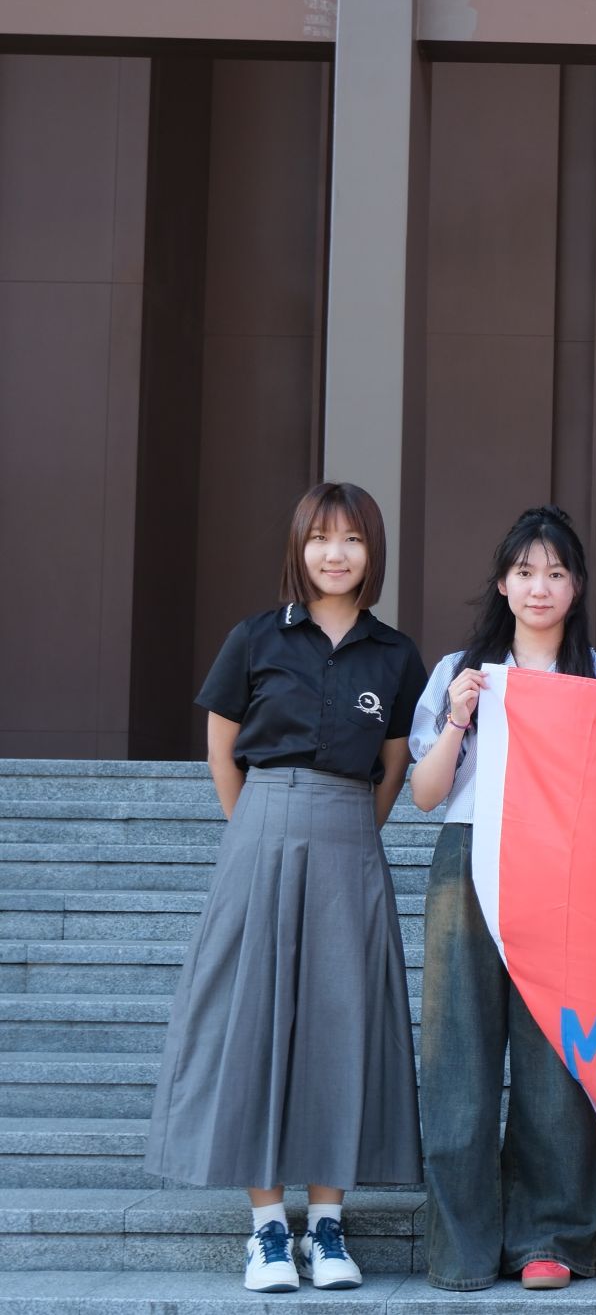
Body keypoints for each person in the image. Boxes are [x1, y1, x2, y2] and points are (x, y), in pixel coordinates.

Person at [143, 482, 428, 1293]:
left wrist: (345, 826)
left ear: (373, 552)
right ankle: (268, 1228)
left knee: (344, 1018)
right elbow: (222, 752)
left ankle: (328, 1224)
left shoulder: (395, 653)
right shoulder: (256, 636)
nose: (336, 554)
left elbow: (394, 766)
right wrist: (258, 833)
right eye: (321, 538)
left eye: (353, 539)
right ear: (299, 547)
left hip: (350, 835)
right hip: (260, 830)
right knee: (253, 1019)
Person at [408, 506, 596, 1292]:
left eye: (556, 572)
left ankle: (549, 1235)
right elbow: (425, 794)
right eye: (525, 571)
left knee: (556, 1054)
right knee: (457, 1051)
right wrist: (457, 719)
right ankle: (463, 1246)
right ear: (503, 584)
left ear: (577, 586)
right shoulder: (459, 670)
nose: (540, 587)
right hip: (468, 855)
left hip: (565, 867)